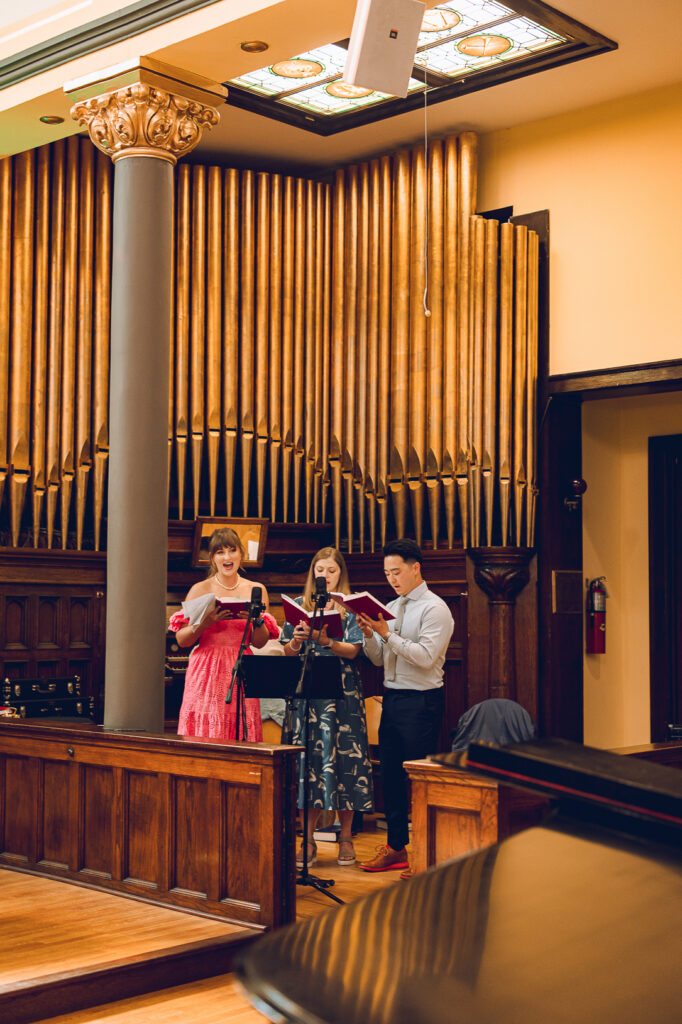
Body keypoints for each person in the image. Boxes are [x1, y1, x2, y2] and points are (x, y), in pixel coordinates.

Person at [356, 538, 454, 875]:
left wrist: (387, 633)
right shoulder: (391, 607)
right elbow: (379, 660)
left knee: (419, 781)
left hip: (421, 701)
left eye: (396, 572)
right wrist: (370, 634)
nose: (392, 579)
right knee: (392, 780)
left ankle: (426, 853)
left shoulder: (435, 609)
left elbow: (426, 658)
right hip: (393, 698)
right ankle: (397, 848)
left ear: (416, 568)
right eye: (387, 573)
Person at [281, 547, 373, 869]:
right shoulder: (299, 606)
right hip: (308, 693)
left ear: (340, 574)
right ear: (313, 574)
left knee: (346, 762)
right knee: (308, 763)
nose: (325, 575)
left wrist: (326, 642)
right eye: (320, 570)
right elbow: (287, 651)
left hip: (342, 693)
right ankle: (307, 839)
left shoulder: (350, 608)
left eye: (331, 570)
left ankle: (346, 836)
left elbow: (354, 651)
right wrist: (297, 640)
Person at [170, 528, 279, 740]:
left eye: (232, 550)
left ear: (241, 554)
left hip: (243, 664)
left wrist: (256, 621)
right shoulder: (200, 589)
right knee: (206, 730)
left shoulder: (256, 589)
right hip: (207, 666)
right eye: (220, 552)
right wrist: (206, 623)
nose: (227, 557)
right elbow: (182, 640)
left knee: (241, 728)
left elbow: (259, 643)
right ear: (212, 558)